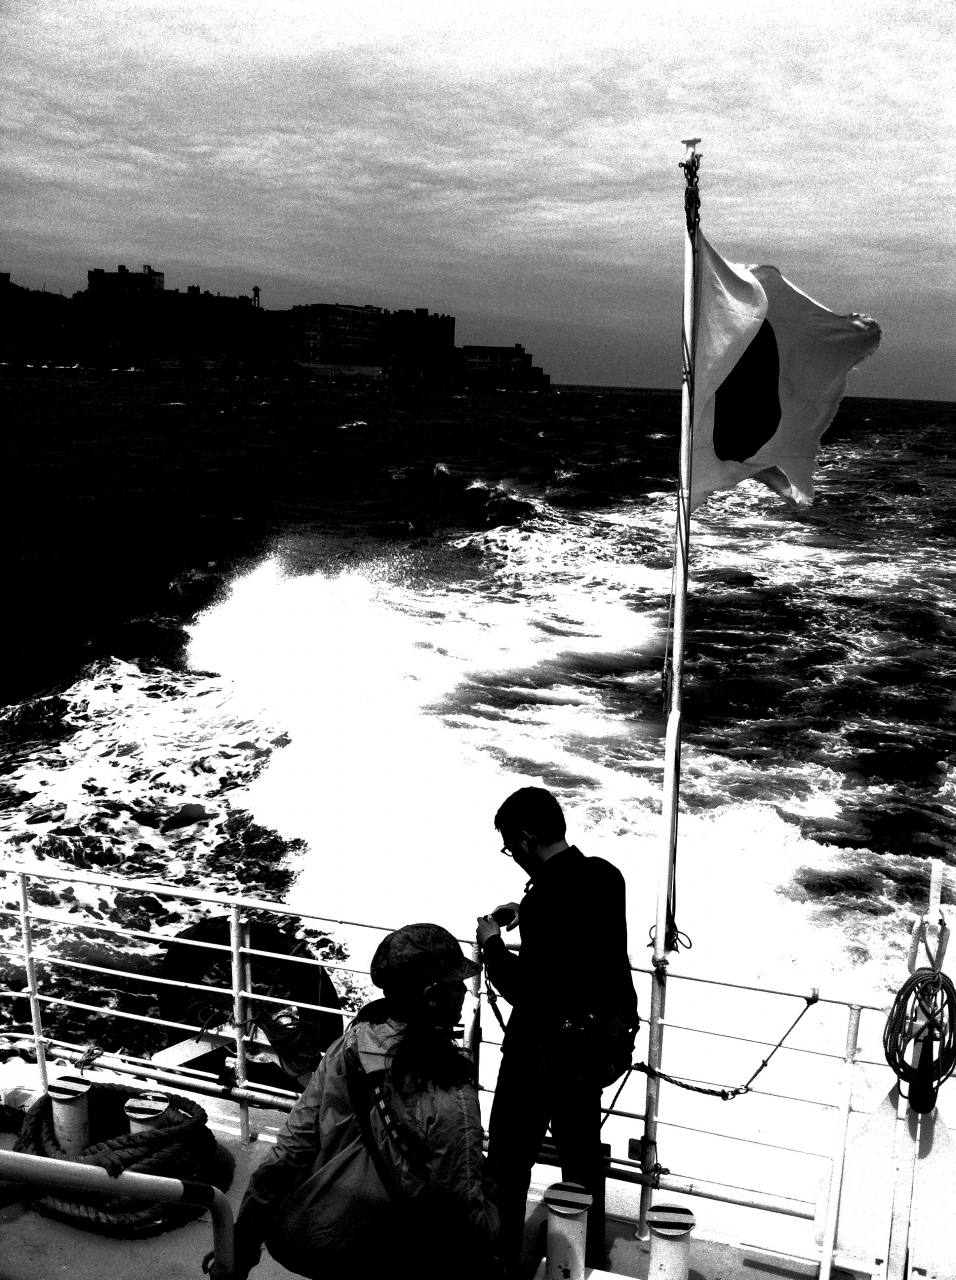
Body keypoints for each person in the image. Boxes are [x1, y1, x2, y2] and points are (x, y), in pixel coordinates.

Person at [208, 922, 500, 1280]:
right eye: (457, 983)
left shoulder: (349, 1046)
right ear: (431, 996)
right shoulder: (451, 1091)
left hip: (312, 1241)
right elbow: (460, 1213)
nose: (465, 991)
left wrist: (242, 1242)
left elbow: (290, 1151)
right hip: (388, 1256)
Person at [476, 787, 638, 1276]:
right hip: (592, 1047)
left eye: (511, 846)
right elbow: (582, 932)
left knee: (508, 1162)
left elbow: (528, 990)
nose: (513, 855)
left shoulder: (546, 899)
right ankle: (583, 1260)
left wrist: (492, 945)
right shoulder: (607, 875)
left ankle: (500, 1261)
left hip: (540, 1053)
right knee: (581, 1159)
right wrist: (525, 910)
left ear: (527, 838)